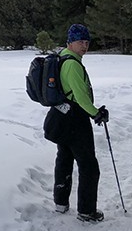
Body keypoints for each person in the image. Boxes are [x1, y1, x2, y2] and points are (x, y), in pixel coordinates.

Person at [43, 23, 109, 222]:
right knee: (88, 165)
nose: (84, 46)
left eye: (87, 42)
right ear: (70, 42)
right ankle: (86, 211)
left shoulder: (63, 58)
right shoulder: (72, 64)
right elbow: (80, 95)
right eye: (80, 41)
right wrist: (96, 113)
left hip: (61, 118)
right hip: (75, 120)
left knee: (64, 159)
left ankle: (61, 203)